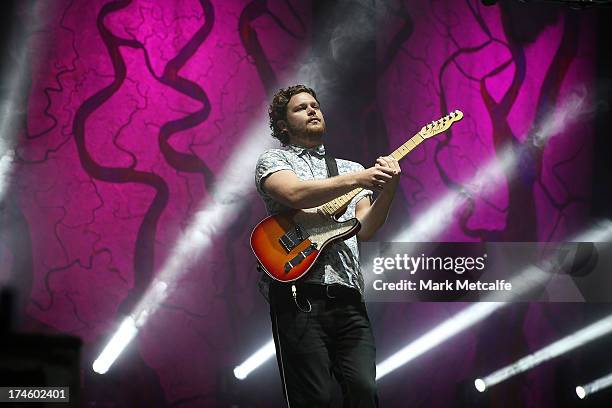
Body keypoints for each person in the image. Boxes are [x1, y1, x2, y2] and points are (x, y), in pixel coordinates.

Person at [254, 84, 400, 407]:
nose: (312, 110)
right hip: (299, 297)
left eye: (315, 105)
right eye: (300, 108)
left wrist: (389, 189)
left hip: (348, 300)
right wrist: (358, 181)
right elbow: (294, 194)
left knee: (364, 390)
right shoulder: (274, 159)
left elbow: (366, 228)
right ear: (282, 125)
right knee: (313, 399)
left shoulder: (350, 168)